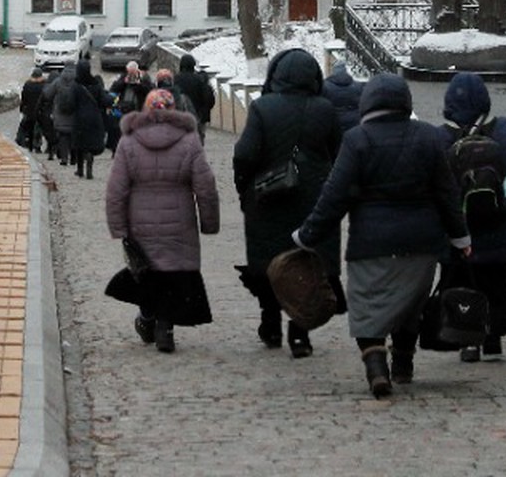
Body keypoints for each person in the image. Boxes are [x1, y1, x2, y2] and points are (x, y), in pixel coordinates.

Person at [295, 72, 470, 399]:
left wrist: (307, 235)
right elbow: (448, 193)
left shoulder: (357, 140)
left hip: (370, 245)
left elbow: (334, 197)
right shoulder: (429, 137)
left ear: (367, 103)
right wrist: (461, 238)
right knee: (409, 305)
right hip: (421, 244)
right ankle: (403, 364)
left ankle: (376, 367)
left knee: (366, 308)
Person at [233, 47, 342, 357]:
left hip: (268, 199)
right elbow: (339, 153)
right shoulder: (325, 109)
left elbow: (244, 154)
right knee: (307, 263)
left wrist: (246, 187)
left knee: (269, 263)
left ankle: (270, 323)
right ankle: (300, 332)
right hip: (314, 201)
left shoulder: (262, 108)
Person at [104, 88, 220, 354]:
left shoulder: (129, 141)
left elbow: (116, 189)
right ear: (173, 109)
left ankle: (147, 318)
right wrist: (209, 222)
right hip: (179, 219)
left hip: (140, 220)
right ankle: (165, 327)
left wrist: (118, 226)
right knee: (172, 274)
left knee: (148, 271)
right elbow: (205, 186)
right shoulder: (190, 141)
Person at [440, 71, 506, 362]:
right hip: (500, 222)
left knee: (462, 279)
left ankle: (467, 339)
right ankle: (494, 337)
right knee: (496, 277)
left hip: (459, 228)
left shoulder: (441, 137)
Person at [69, 52, 113, 180]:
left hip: (80, 118)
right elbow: (103, 100)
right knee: (90, 143)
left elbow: (71, 103)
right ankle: (89, 166)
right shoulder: (96, 84)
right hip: (94, 117)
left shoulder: (76, 85)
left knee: (80, 143)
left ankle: (80, 169)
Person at [177, 53, 216, 139]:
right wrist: (204, 114)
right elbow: (208, 98)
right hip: (198, 117)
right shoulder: (199, 80)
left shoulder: (175, 79)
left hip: (179, 117)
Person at [321, 59, 362, 138]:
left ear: (333, 71)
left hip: (333, 123)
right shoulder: (357, 87)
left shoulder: (325, 86)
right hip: (353, 124)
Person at [49, 58, 79, 166]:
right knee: (74, 136)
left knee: (63, 136)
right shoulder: (78, 80)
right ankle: (74, 159)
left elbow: (48, 94)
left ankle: (64, 158)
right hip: (75, 113)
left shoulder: (58, 80)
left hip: (61, 112)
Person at [17, 71, 46, 152]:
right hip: (40, 111)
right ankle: (37, 146)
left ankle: (28, 144)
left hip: (29, 110)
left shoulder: (28, 84)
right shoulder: (44, 85)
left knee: (28, 128)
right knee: (38, 129)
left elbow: (24, 98)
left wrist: (22, 108)